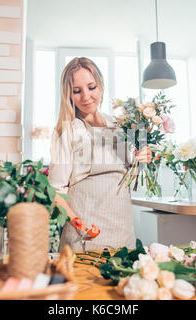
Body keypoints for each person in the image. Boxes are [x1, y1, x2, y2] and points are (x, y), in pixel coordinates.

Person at [48, 57, 152, 252]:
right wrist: (79, 225)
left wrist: (144, 157)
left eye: (91, 87)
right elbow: (55, 192)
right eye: (77, 91)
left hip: (123, 236)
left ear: (101, 86)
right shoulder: (66, 131)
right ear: (68, 95)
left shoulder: (121, 126)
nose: (86, 97)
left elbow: (133, 180)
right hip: (85, 238)